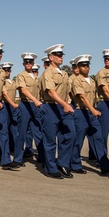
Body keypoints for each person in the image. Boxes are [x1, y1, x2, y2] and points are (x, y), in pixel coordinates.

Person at [39, 44, 76, 178]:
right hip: (51, 107)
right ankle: (50, 168)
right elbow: (50, 91)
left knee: (70, 134)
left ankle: (62, 163)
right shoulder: (48, 73)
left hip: (63, 107)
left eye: (61, 55)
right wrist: (64, 104)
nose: (61, 57)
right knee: (50, 139)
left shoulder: (64, 73)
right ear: (51, 57)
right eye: (58, 55)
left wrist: (67, 104)